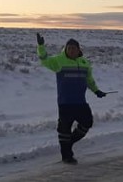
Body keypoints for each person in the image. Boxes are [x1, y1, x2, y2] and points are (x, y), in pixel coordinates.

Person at [36, 33, 106, 165]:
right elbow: (44, 60)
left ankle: (70, 142)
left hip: (80, 102)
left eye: (74, 48)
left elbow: (89, 80)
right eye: (69, 48)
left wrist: (97, 90)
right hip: (65, 103)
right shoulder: (59, 61)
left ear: (79, 50)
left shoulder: (85, 63)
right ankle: (67, 156)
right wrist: (41, 46)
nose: (71, 50)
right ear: (65, 49)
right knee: (64, 130)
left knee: (87, 123)